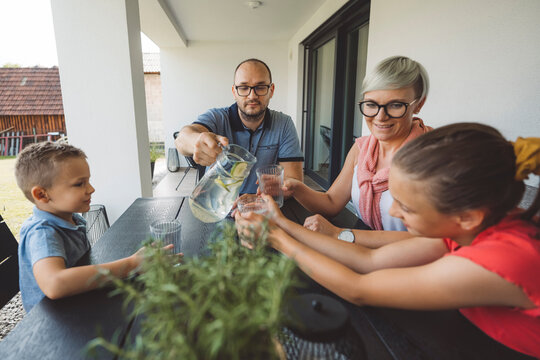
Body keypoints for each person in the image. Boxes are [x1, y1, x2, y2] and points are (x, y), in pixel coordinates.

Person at [236, 123, 540, 358]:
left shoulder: (502, 260)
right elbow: (369, 260)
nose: (393, 211)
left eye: (406, 207)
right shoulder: (472, 226)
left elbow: (359, 289)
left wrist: (277, 238)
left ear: (467, 216)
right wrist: (280, 222)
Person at [285, 56, 432, 241]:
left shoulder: (434, 156)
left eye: (395, 105)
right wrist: (295, 188)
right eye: (371, 104)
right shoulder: (362, 149)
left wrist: (339, 234)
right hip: (359, 243)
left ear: (419, 104)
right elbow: (331, 203)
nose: (380, 117)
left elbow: (430, 241)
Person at [15, 142, 172, 312]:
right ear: (41, 194)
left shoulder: (71, 219)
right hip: (54, 321)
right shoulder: (43, 232)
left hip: (79, 303)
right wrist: (131, 264)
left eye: (88, 181)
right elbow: (55, 284)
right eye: (79, 184)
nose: (91, 189)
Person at [175, 58, 304, 195]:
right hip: (217, 208)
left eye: (260, 87)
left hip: (263, 207)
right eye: (243, 88)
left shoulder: (284, 124)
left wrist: (265, 195)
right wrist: (197, 141)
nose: (252, 96)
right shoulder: (217, 117)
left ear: (271, 90)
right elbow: (182, 139)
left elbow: (294, 182)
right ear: (234, 91)